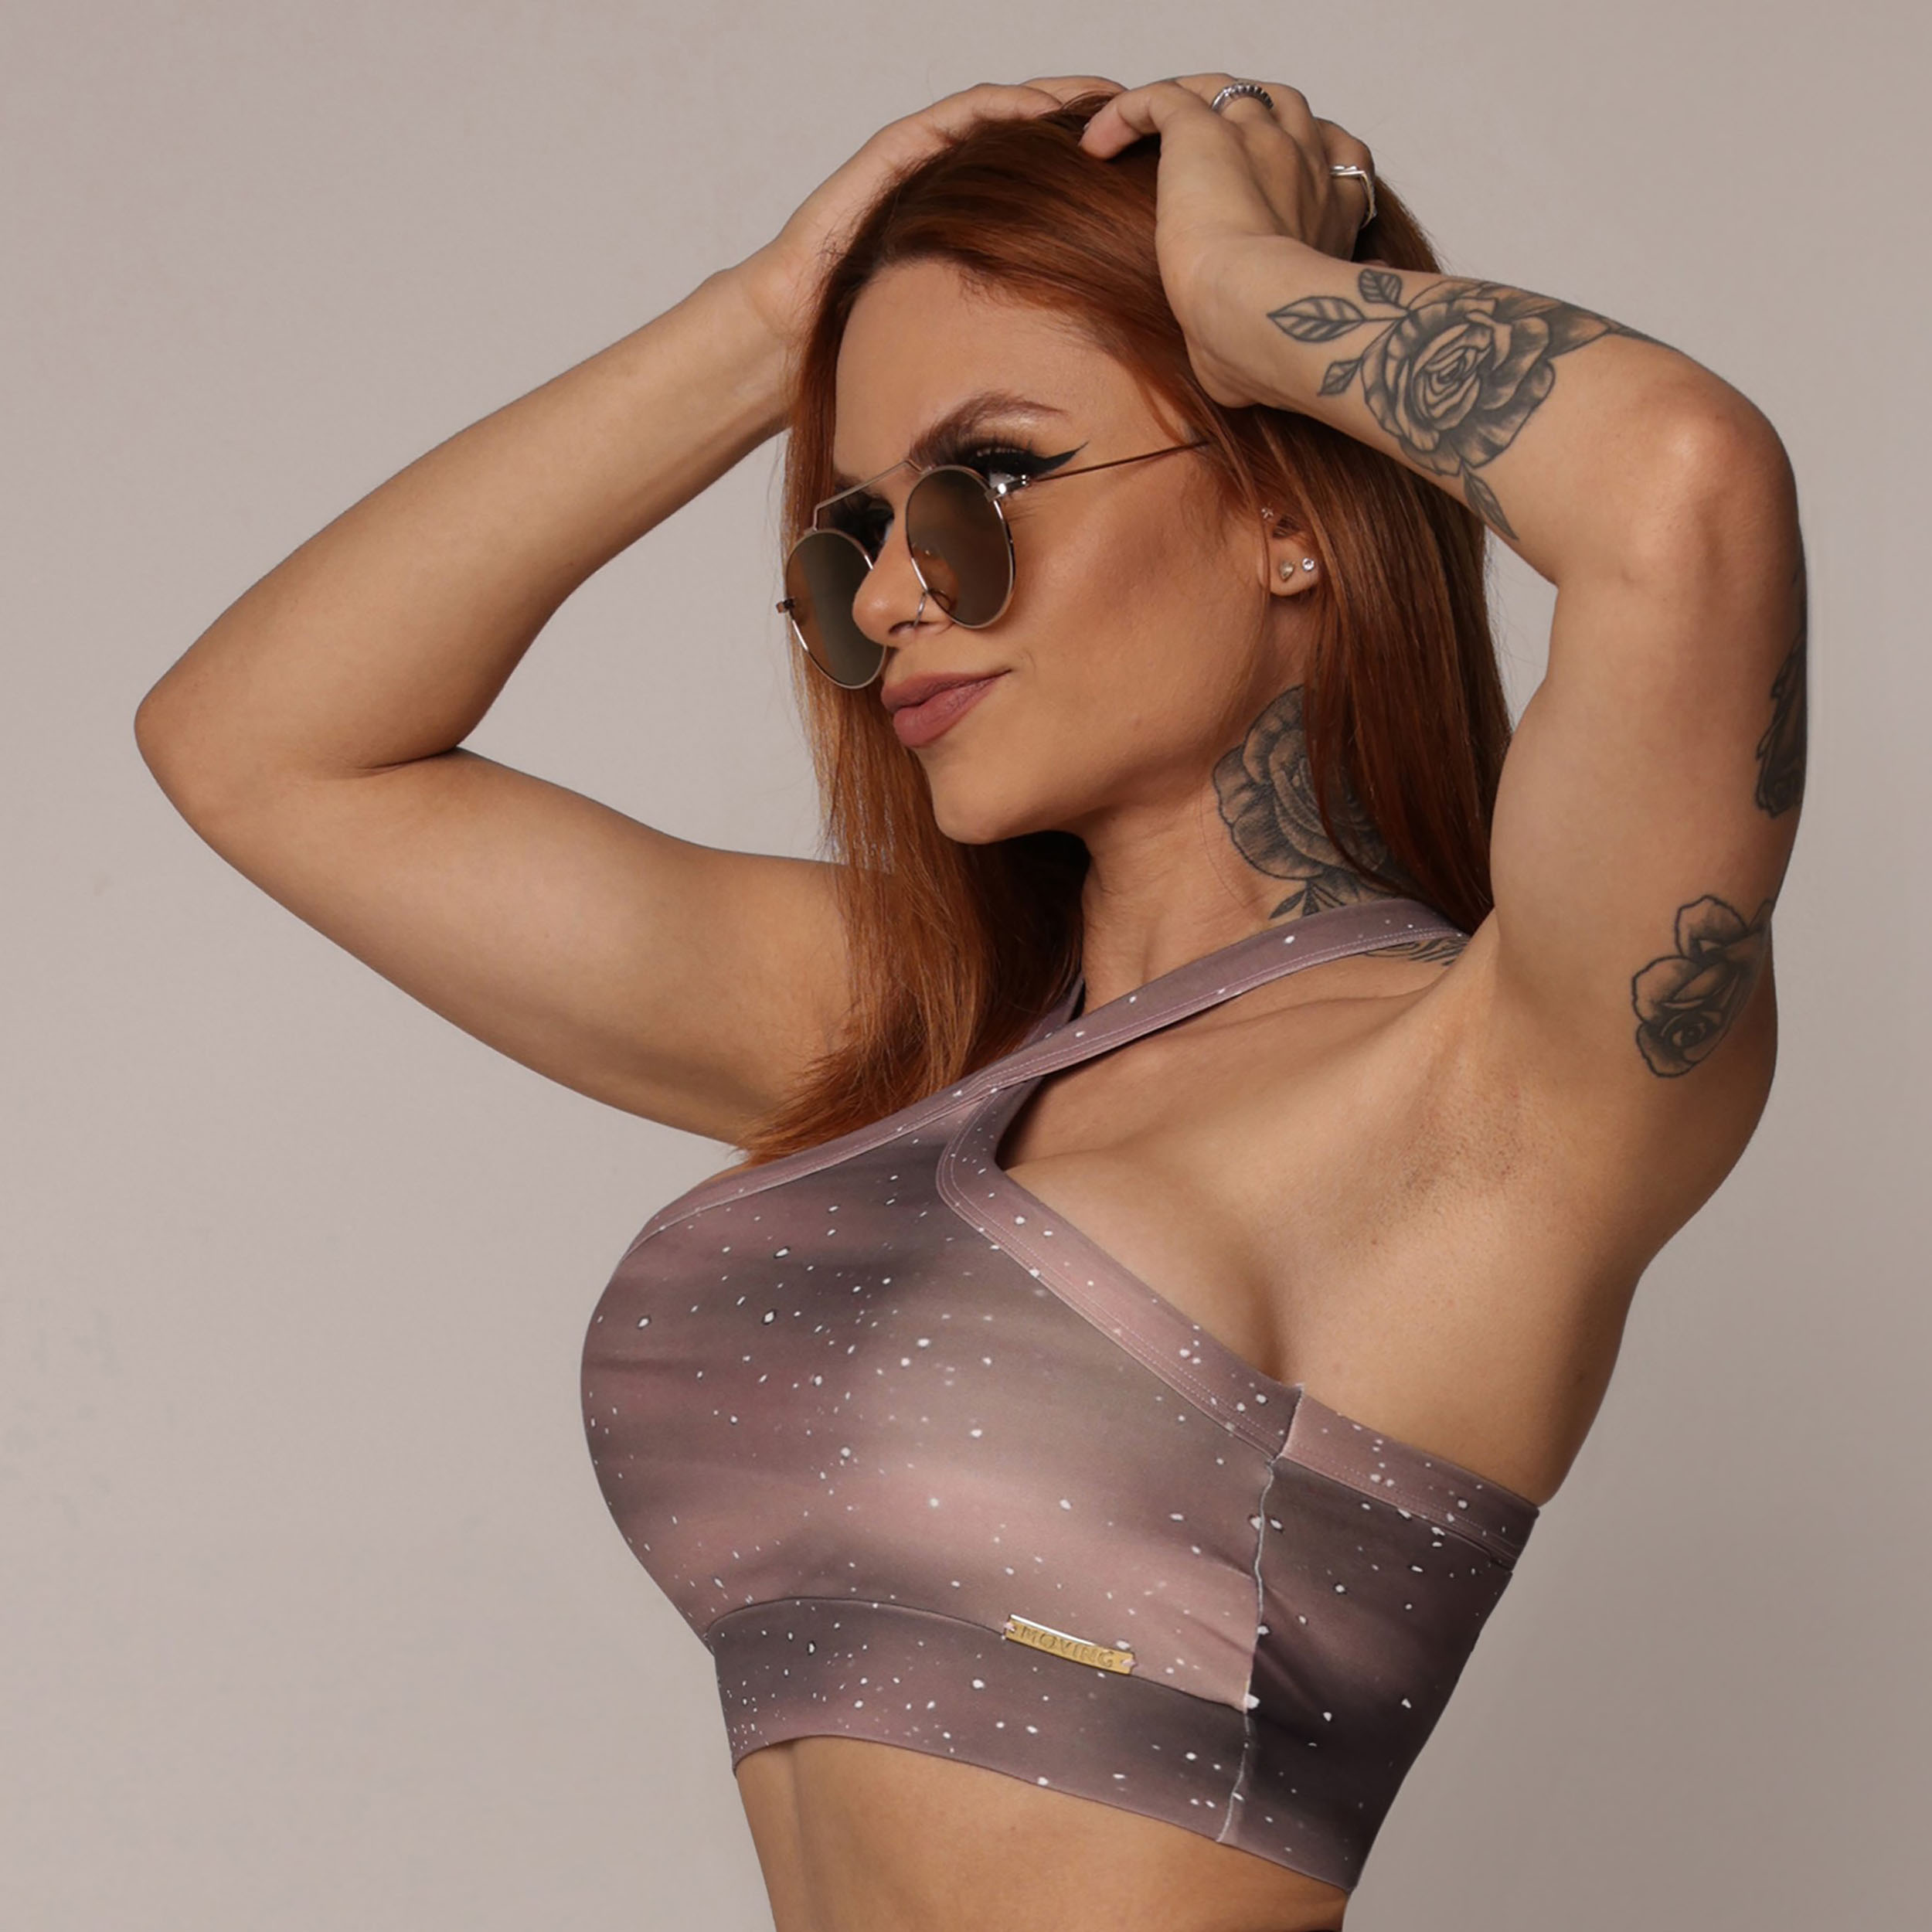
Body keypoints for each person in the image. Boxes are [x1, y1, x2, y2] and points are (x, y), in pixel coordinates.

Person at [134, 70, 1806, 1932]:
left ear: (1284, 509)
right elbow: (258, 745)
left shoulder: (1495, 1083)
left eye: (987, 479)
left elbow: (1683, 487)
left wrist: (1240, 289)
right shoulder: (921, 1037)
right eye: (851, 532)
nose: (893, 598)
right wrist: (763, 322)